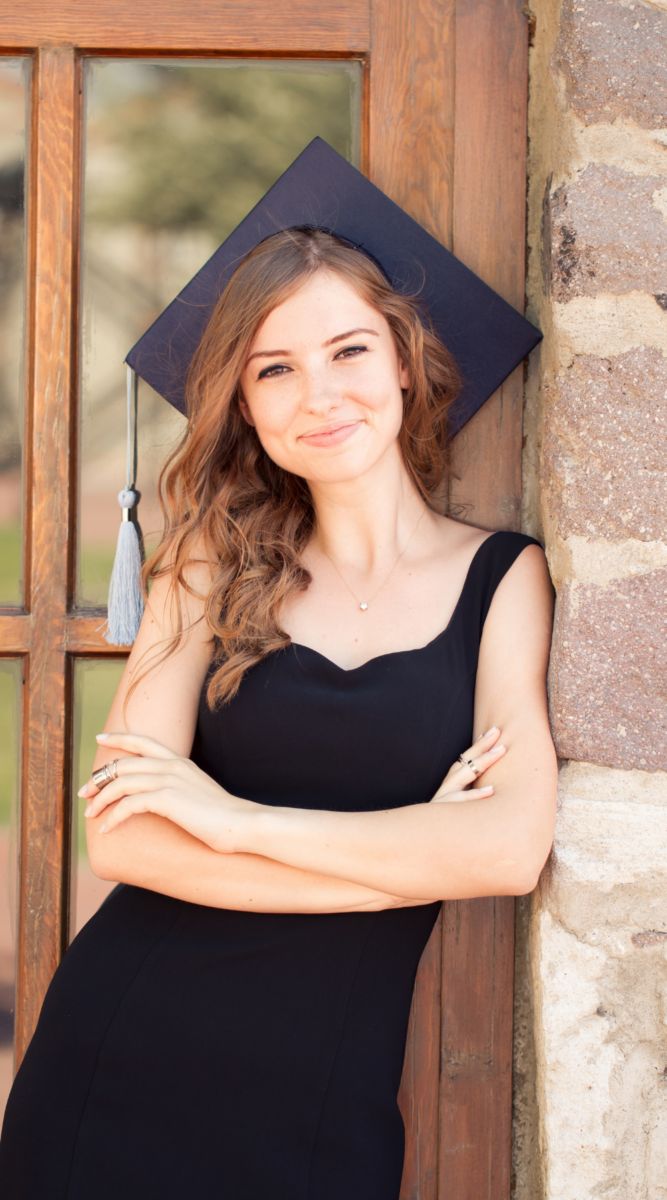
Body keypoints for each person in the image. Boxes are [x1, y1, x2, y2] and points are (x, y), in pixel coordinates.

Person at [0, 140, 557, 1199]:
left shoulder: (502, 579)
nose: (320, 394)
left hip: (319, 1098)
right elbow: (123, 837)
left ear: (402, 357)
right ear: (244, 405)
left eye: (349, 351)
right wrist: (390, 871)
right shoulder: (211, 558)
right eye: (275, 369)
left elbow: (508, 848)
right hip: (118, 1061)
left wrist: (229, 818)